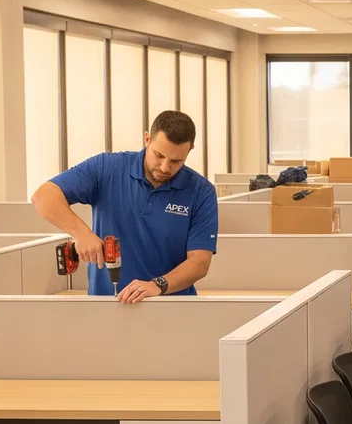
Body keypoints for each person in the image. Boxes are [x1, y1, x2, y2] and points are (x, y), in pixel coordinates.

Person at [32, 110, 219, 303]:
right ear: (147, 139)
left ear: (190, 151)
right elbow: (44, 196)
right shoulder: (107, 168)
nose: (164, 167)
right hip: (107, 307)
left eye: (176, 161)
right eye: (158, 155)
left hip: (172, 309)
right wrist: (81, 233)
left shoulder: (201, 191)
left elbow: (199, 262)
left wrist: (157, 285)